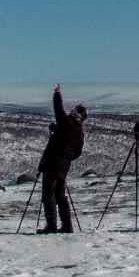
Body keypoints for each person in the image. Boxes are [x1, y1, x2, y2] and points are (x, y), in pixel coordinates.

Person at [37, 84, 87, 233]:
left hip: (53, 163)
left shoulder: (66, 122)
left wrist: (57, 94)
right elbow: (77, 152)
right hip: (64, 166)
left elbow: (58, 109)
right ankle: (67, 225)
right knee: (60, 195)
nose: (71, 111)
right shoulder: (79, 132)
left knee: (48, 194)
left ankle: (51, 225)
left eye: (74, 111)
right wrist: (66, 155)